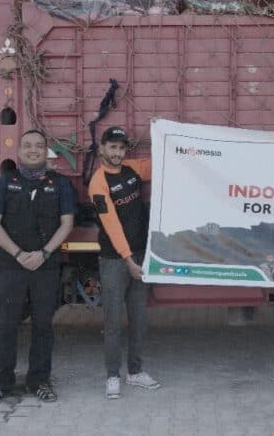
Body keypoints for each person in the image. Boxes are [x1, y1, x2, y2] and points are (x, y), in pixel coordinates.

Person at [0, 130, 75, 404]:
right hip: (11, 266)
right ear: (19, 152)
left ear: (46, 152)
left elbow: (66, 223)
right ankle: (1, 381)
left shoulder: (60, 184)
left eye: (38, 146)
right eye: (27, 146)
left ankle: (39, 381)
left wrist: (44, 253)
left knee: (43, 325)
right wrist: (19, 254)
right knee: (7, 325)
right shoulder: (4, 183)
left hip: (46, 267)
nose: (33, 150)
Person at [89, 126, 161, 399]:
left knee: (139, 318)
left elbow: (164, 165)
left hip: (140, 255)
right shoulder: (98, 182)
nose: (117, 153)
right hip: (115, 260)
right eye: (113, 147)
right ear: (102, 149)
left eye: (121, 148)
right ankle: (112, 376)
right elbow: (111, 225)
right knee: (113, 322)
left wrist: (165, 135)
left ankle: (135, 372)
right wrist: (128, 260)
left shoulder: (132, 169)